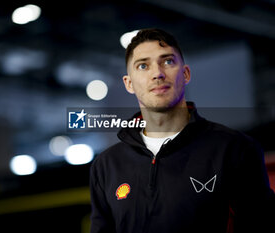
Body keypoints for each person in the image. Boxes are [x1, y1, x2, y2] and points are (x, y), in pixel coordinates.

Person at [89, 28, 274, 233]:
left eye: (167, 61)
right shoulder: (106, 166)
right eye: (143, 66)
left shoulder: (235, 149)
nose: (157, 73)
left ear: (185, 74)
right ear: (129, 83)